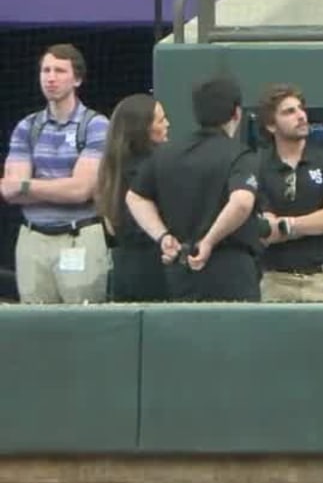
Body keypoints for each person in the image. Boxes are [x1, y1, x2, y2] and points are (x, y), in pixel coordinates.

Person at [124, 75, 263, 303]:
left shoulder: (165, 154)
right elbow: (241, 202)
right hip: (231, 269)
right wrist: (209, 241)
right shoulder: (240, 155)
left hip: (181, 269)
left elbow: (135, 197)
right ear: (237, 113)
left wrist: (163, 237)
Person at [0, 44, 113, 304]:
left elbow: (80, 191)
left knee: (81, 323)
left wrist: (27, 185)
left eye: (60, 71)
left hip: (79, 237)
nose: (51, 77)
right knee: (35, 325)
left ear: (77, 79)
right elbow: (8, 190)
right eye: (45, 70)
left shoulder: (96, 126)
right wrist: (56, 187)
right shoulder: (26, 127)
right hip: (32, 239)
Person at [252, 84, 323, 303]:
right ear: (271, 125)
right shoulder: (258, 166)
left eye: (300, 109)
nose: (300, 116)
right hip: (276, 281)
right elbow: (267, 232)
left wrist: (288, 225)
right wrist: (310, 224)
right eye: (289, 112)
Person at [93, 94, 172, 303]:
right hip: (157, 271)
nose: (168, 124)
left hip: (123, 270)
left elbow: (110, 226)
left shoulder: (110, 171)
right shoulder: (158, 168)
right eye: (161, 120)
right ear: (143, 128)